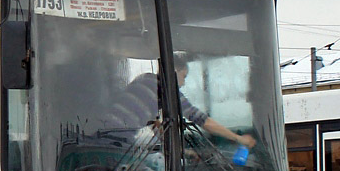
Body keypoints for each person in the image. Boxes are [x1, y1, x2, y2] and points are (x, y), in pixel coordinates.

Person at [104, 53, 256, 149]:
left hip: (103, 135)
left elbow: (155, 125)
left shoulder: (146, 80)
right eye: (184, 76)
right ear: (174, 71)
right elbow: (202, 120)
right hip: (116, 142)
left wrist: (180, 153)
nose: (183, 83)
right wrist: (239, 138)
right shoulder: (165, 89)